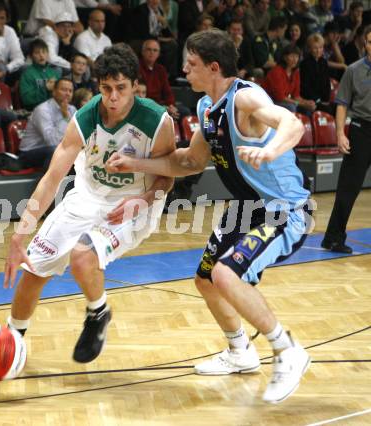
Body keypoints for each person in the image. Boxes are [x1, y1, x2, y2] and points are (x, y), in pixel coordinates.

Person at [106, 29, 313, 404]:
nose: (184, 68)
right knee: (206, 279)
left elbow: (293, 124)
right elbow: (189, 161)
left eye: (192, 63)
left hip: (285, 209)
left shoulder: (245, 98)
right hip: (246, 209)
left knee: (224, 273)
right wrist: (133, 163)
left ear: (214, 67)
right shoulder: (206, 107)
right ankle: (240, 352)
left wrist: (270, 152)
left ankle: (288, 351)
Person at [2, 43, 175, 365]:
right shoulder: (85, 116)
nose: (112, 97)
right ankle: (11, 339)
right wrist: (18, 235)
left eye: (121, 88)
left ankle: (97, 313)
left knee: (82, 258)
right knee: (33, 270)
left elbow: (169, 176)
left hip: (134, 202)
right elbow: (52, 177)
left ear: (135, 86)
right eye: (106, 88)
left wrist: (146, 198)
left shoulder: (157, 121)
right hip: (86, 195)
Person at [321, 25, 371, 254]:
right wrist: (340, 133)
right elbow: (341, 104)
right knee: (348, 188)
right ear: (364, 44)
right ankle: (333, 238)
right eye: (369, 41)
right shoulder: (353, 70)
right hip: (361, 130)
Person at [18, 78, 76, 169]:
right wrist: (65, 118)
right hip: (29, 152)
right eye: (64, 90)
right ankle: (49, 183)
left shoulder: (72, 109)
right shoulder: (42, 110)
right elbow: (51, 141)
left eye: (70, 91)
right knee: (55, 151)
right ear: (54, 92)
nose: (68, 93)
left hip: (55, 149)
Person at [262, 44, 315, 113]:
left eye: (297, 56)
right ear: (284, 57)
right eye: (292, 56)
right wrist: (302, 104)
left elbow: (296, 96)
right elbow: (280, 97)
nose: (295, 59)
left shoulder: (296, 72)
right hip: (269, 101)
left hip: (283, 101)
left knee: (309, 108)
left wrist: (307, 102)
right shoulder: (276, 71)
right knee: (291, 107)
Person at [19, 38, 61, 111]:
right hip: (35, 111)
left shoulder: (54, 73)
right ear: (31, 56)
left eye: (44, 52)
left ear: (47, 54)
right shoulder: (27, 74)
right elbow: (26, 99)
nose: (41, 55)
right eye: (37, 53)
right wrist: (45, 88)